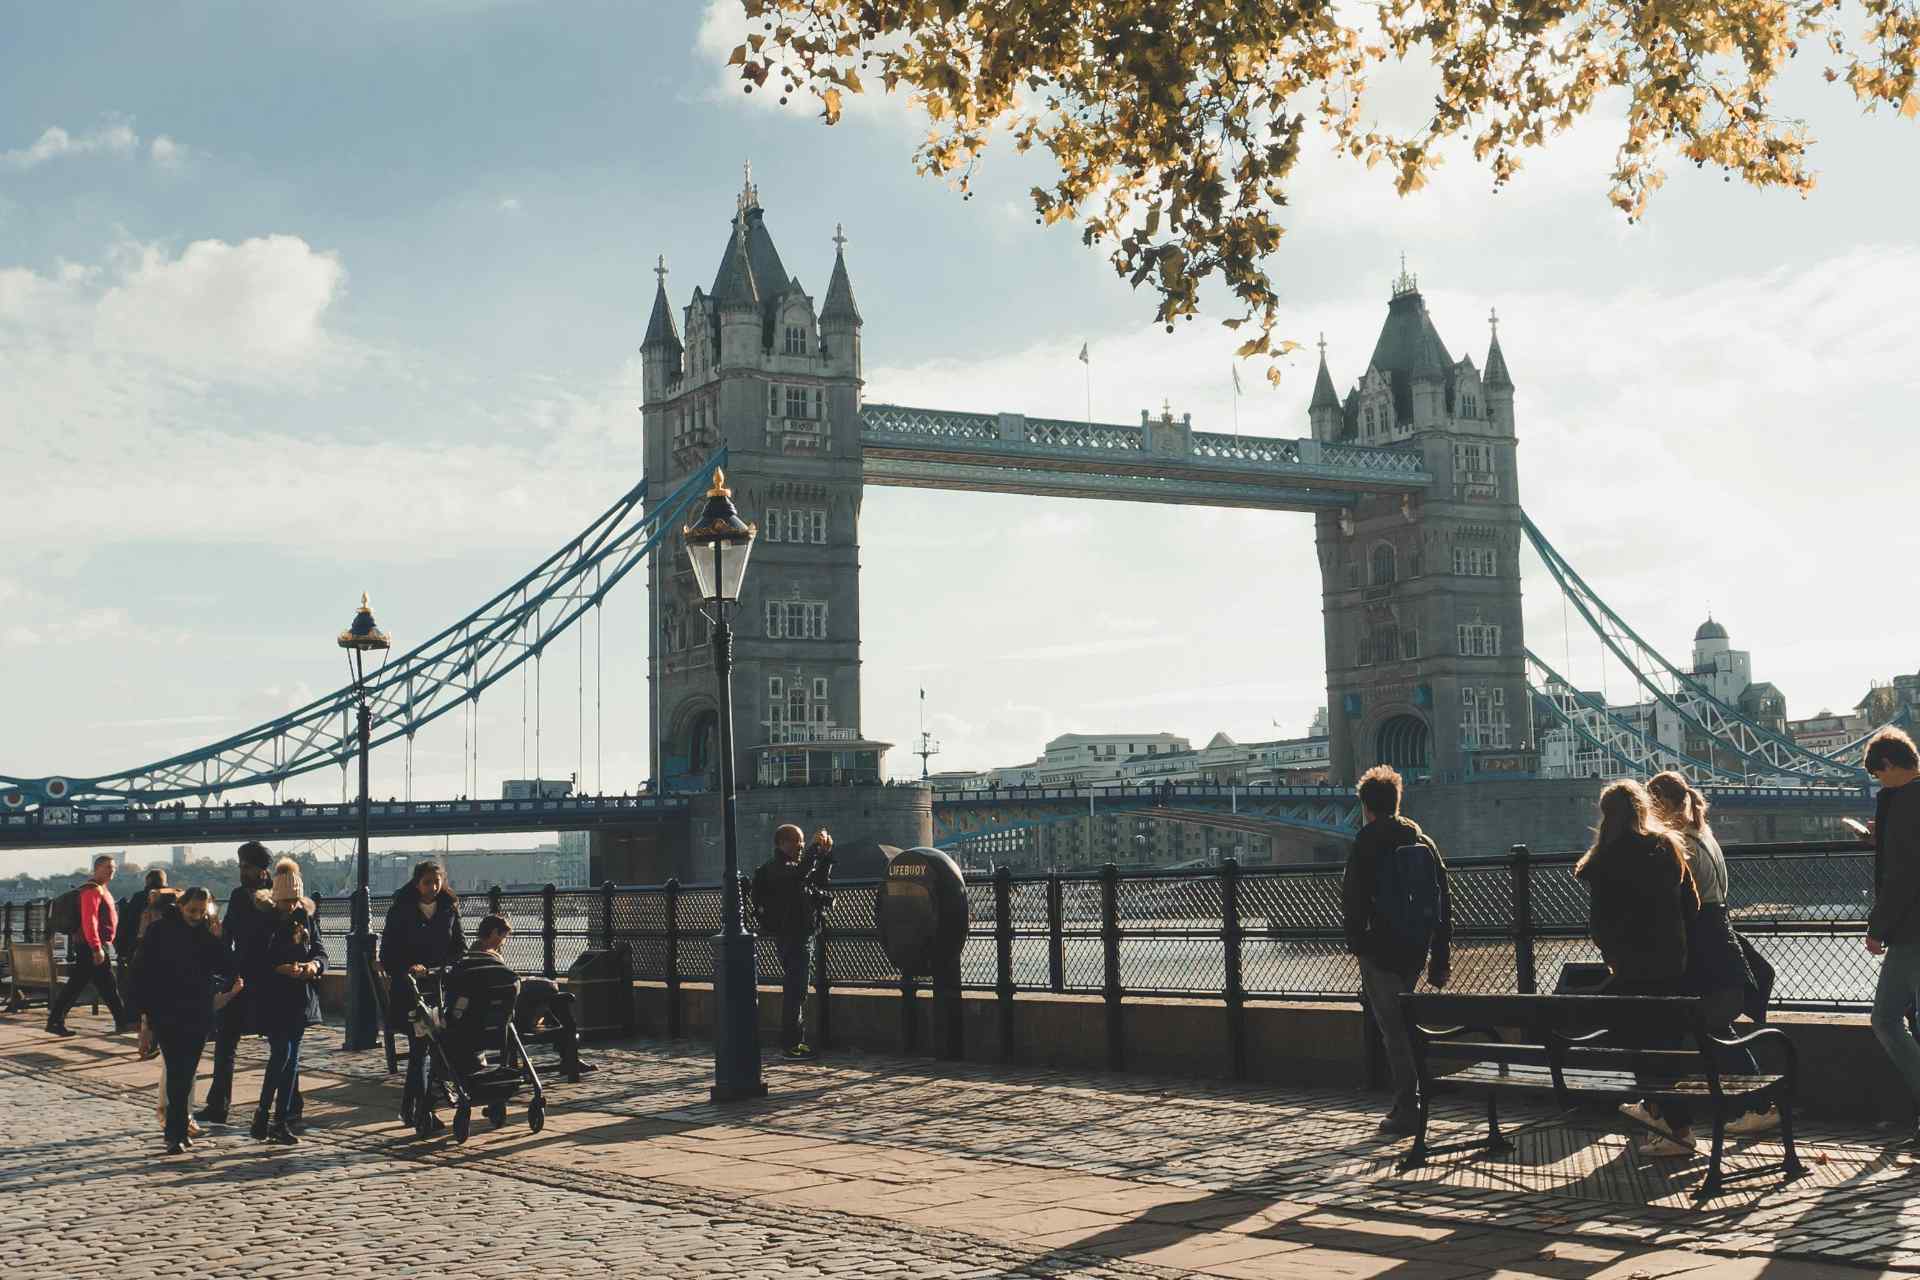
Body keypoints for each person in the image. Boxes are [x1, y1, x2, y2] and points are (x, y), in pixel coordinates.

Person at [1643, 770, 1778, 1138]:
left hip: (1701, 940)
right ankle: (1665, 1109)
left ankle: (1672, 1112)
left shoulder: (1677, 842)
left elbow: (1675, 900)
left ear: (1665, 805)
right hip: (1722, 932)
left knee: (1704, 1028)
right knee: (1712, 1028)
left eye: (1651, 806)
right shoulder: (1705, 835)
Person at [1576, 778, 1701, 1158]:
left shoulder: (1602, 859)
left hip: (1631, 969)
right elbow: (1692, 905)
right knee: (1667, 1045)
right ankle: (1672, 1123)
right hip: (1670, 964)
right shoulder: (1667, 846)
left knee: (1641, 1048)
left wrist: (1615, 955)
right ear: (1643, 808)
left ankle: (1675, 1127)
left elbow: (1599, 926)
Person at [1339, 764, 1452, 1136]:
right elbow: (1443, 900)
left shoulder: (1366, 842)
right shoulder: (1423, 841)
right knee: (1405, 1024)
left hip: (1381, 951)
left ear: (1366, 807)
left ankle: (1407, 1108)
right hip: (1415, 948)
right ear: (1398, 802)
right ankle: (1415, 1101)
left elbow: (1353, 900)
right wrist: (1439, 957)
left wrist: (1358, 944)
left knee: (1394, 1032)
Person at [134, 887, 239, 1155]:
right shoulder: (159, 931)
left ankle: (177, 1129)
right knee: (177, 1073)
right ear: (181, 906)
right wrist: (145, 1019)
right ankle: (175, 1132)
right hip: (166, 1011)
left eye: (201, 912)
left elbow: (227, 968)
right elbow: (142, 973)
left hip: (197, 1012)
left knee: (187, 1072)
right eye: (192, 910)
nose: (195, 916)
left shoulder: (207, 934)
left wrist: (219, 939)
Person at [198, 842, 289, 1126]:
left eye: (246, 867)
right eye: (240, 866)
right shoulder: (238, 896)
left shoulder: (279, 896)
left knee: (282, 1046)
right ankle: (218, 1106)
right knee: (225, 1041)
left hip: (271, 980)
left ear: (262, 870)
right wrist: (217, 939)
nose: (241, 871)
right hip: (240, 978)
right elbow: (230, 939)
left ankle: (289, 1105)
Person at [243, 859, 327, 1145]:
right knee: (282, 1054)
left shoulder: (306, 917)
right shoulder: (263, 921)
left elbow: (320, 951)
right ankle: (263, 1114)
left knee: (291, 1061)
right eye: (286, 901)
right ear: (276, 897)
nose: (291, 906)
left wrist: (314, 966)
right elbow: (252, 961)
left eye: (295, 900)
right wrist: (277, 968)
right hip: (273, 997)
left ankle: (279, 1120)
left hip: (300, 998)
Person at [1863, 727, 1920, 1150]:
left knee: (1885, 1019)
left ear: (1889, 766)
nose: (1879, 783)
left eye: (1878, 776)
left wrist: (1877, 927)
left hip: (1911, 931)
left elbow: (1903, 874)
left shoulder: (1906, 802)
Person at [447, 915, 593, 1078]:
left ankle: (567, 1055)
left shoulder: (468, 959)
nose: (504, 942)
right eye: (504, 937)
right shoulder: (490, 959)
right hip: (505, 1022)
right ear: (495, 933)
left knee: (549, 1000)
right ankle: (569, 1057)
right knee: (552, 997)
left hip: (486, 1018)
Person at [381, 860, 466, 1130]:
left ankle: (413, 1109)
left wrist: (443, 968)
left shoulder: (449, 909)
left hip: (440, 986)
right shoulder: (400, 911)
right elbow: (387, 955)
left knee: (434, 1049)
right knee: (421, 1048)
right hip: (411, 991)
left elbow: (459, 949)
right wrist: (409, 969)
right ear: (417, 883)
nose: (433, 887)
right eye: (428, 882)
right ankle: (421, 1111)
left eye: (437, 881)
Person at [752, 825, 832, 1059]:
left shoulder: (792, 868)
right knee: (795, 990)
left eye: (803, 841)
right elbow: (799, 876)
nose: (801, 846)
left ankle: (797, 1042)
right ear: (782, 844)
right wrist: (814, 849)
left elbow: (816, 880)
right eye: (797, 841)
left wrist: (824, 856)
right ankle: (791, 1045)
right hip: (791, 935)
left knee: (797, 990)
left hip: (801, 934)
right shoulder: (775, 869)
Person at [47, 854, 134, 1037]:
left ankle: (122, 1021)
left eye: (113, 868)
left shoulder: (100, 889)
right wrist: (96, 948)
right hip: (90, 946)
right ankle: (55, 1021)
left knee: (103, 985)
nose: (111, 871)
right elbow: (90, 921)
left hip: (92, 944)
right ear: (96, 869)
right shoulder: (92, 891)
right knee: (92, 985)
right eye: (107, 867)